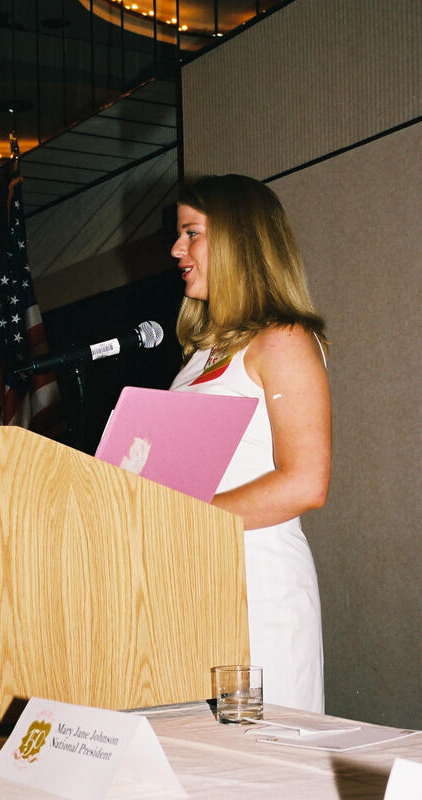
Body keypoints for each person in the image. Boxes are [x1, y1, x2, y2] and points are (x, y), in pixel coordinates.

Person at [169, 174, 331, 712]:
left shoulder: (282, 340)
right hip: (192, 577)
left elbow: (306, 482)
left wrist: (188, 516)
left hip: (258, 584)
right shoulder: (197, 359)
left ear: (238, 239)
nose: (177, 249)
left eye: (191, 233)